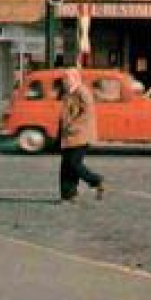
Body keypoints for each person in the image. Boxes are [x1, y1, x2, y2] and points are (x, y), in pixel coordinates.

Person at [58, 68, 105, 202]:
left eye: (67, 78)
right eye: (64, 78)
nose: (64, 81)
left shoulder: (82, 92)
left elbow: (87, 113)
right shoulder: (69, 93)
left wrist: (73, 126)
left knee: (74, 164)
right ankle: (68, 194)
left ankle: (96, 180)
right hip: (68, 136)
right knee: (66, 166)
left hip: (80, 135)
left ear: (75, 79)